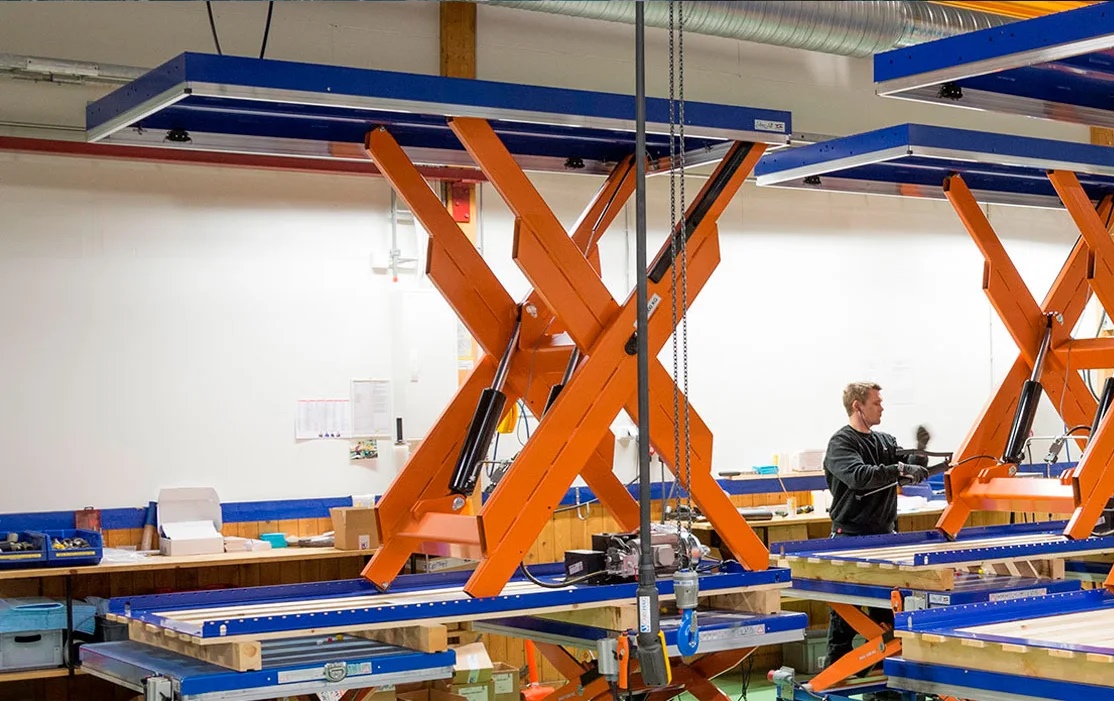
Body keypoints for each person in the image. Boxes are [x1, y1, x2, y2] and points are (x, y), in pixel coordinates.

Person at [823, 381, 930, 677]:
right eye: (876, 402)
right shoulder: (841, 443)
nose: (882, 406)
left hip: (885, 538)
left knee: (886, 614)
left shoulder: (884, 440)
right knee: (846, 615)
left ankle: (886, 681)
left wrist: (918, 454)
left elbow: (903, 462)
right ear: (858, 405)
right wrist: (899, 470)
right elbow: (859, 476)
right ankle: (836, 677)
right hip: (851, 539)